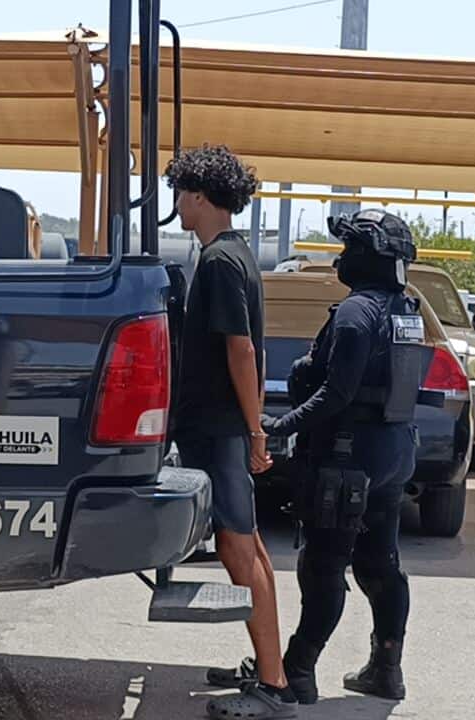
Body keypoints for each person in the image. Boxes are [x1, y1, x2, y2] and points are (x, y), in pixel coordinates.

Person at [261, 208, 425, 705]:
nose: (342, 257)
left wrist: (278, 427)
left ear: (369, 257)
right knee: (381, 564)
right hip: (394, 453)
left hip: (348, 457)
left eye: (350, 248)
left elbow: (336, 393)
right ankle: (386, 668)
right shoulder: (406, 309)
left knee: (323, 566)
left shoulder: (358, 311)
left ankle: (297, 671)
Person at [164, 145, 297, 720]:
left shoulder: (218, 262)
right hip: (224, 429)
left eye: (180, 193)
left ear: (198, 195)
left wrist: (253, 430)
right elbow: (255, 349)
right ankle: (270, 670)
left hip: (218, 429)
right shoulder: (238, 255)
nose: (176, 205)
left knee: (240, 551)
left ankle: (275, 687)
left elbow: (241, 351)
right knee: (251, 549)